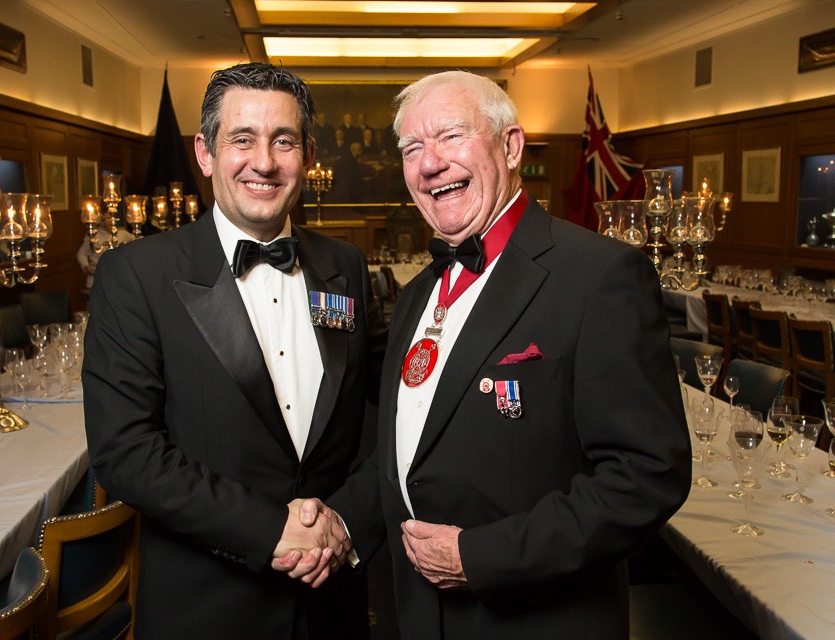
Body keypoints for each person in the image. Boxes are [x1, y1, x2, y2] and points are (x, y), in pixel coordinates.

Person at [329, 70, 692, 639]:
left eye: (451, 136)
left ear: (512, 146)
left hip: (538, 621)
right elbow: (404, 453)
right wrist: (340, 524)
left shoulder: (598, 278)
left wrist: (482, 556)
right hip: (421, 617)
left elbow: (646, 477)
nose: (429, 164)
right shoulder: (417, 293)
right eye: (412, 148)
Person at [82, 62, 386, 640]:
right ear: (205, 152)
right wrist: (271, 529)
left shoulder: (344, 266)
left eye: (284, 141)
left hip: (333, 600)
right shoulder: (136, 275)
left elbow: (398, 416)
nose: (264, 162)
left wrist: (347, 520)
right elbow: (126, 453)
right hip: (207, 607)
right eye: (241, 139)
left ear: (307, 154)